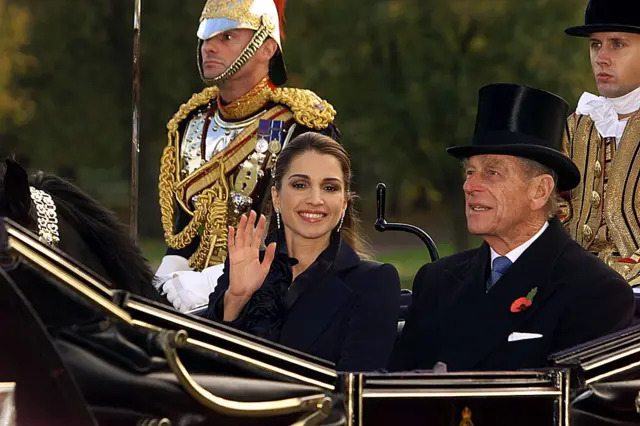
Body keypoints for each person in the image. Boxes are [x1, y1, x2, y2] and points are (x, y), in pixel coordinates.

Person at [390, 83, 635, 372]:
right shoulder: (436, 281)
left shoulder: (595, 292)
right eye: (470, 172)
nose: (470, 186)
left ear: (540, 191)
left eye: (492, 173)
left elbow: (580, 410)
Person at [154, 0, 341, 312]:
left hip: (282, 295)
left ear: (266, 48)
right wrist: (168, 272)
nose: (209, 47)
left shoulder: (299, 122)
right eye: (206, 37)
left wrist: (218, 280)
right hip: (195, 295)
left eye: (227, 38)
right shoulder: (190, 122)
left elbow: (307, 231)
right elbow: (185, 229)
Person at [203, 133, 401, 372]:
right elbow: (201, 368)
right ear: (277, 197)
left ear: (344, 203)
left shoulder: (373, 282)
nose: (315, 199)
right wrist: (236, 299)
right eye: (300, 185)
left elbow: (356, 389)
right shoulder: (244, 266)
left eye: (329, 187)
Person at [560, 0, 640, 283]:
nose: (601, 57)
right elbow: (556, 208)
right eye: (595, 45)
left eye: (617, 44)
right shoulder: (576, 125)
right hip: (576, 288)